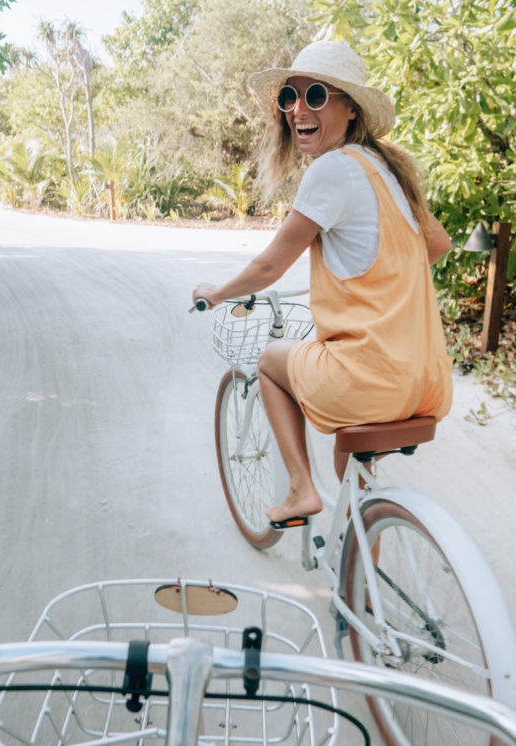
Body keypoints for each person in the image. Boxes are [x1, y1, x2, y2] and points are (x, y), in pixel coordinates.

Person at [192, 40, 453, 529]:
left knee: (269, 362)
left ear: (350, 107)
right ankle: (359, 578)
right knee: (354, 466)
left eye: (315, 95)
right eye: (288, 99)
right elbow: (436, 244)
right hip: (423, 379)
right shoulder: (387, 168)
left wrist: (217, 292)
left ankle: (299, 489)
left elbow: (270, 268)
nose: (297, 110)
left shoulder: (333, 169)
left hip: (369, 379)